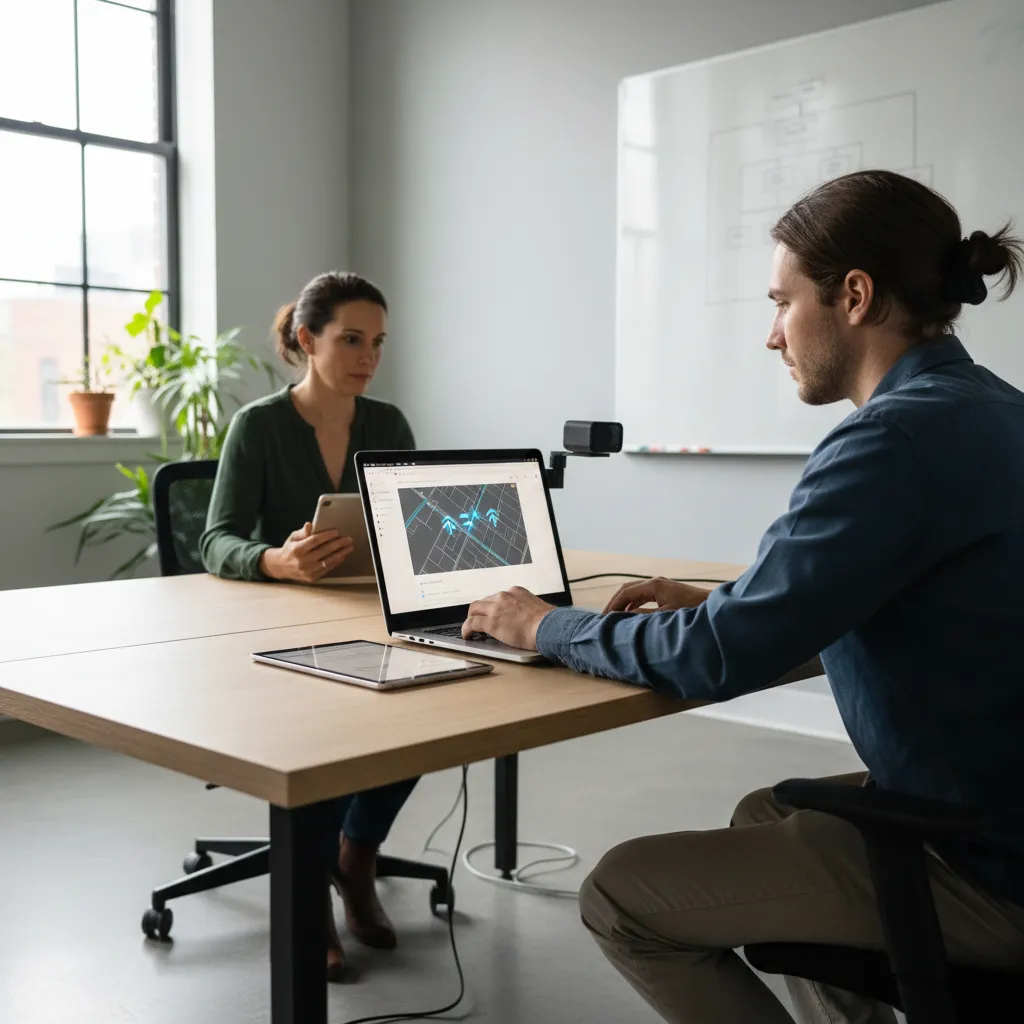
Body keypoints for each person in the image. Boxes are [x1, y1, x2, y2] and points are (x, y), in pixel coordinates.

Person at [461, 170, 1024, 1023]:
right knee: (764, 810)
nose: (771, 335)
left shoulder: (890, 440)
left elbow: (711, 658)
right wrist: (739, 600)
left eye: (782, 303)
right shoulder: (993, 410)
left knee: (620, 897)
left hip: (987, 866)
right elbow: (916, 604)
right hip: (999, 804)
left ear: (855, 296)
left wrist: (544, 625)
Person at [201, 271, 418, 983]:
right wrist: (275, 560)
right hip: (279, 626)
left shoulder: (388, 425)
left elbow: (409, 526)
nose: (368, 357)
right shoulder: (259, 426)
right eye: (351, 339)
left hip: (370, 614)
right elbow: (216, 539)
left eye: (378, 343)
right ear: (307, 339)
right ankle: (312, 899)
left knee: (428, 713)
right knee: (327, 740)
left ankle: (356, 858)